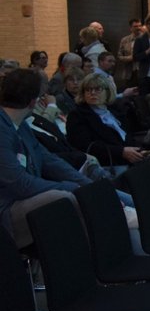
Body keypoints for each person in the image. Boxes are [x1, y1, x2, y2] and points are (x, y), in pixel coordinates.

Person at [0, 69, 92, 248]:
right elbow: (21, 184)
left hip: (18, 200)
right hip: (6, 210)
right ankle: (99, 263)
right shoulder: (4, 131)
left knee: (90, 189)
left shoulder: (19, 126)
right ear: (33, 101)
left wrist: (87, 184)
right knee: (65, 198)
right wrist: (72, 187)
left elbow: (49, 160)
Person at [116, 18, 142, 89]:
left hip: (143, 72)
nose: (138, 28)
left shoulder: (145, 39)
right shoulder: (125, 40)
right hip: (129, 73)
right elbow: (119, 56)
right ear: (131, 28)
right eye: (136, 26)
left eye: (140, 26)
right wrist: (130, 58)